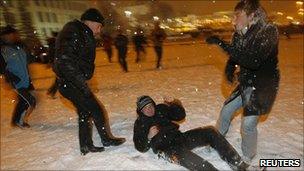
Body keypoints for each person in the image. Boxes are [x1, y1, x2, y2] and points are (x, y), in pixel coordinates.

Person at [206, 0, 280, 162]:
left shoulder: (269, 31)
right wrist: (229, 69)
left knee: (247, 125)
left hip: (263, 86)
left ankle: (248, 156)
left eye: (238, 15)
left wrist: (221, 43)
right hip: (247, 82)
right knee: (226, 111)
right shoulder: (239, 33)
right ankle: (216, 140)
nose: (234, 20)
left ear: (251, 15)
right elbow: (236, 55)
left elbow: (253, 60)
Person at [53, 8, 126, 155]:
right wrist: (81, 83)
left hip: (72, 82)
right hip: (73, 83)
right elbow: (64, 61)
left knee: (85, 112)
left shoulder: (80, 32)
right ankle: (105, 139)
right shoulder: (75, 32)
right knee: (96, 110)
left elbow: (70, 59)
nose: (99, 31)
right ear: (90, 22)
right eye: (98, 26)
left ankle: (86, 145)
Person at [133, 95, 250, 171]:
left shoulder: (161, 109)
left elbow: (180, 115)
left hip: (180, 138)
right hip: (166, 149)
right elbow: (140, 146)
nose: (149, 109)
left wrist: (174, 102)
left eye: (150, 105)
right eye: (145, 108)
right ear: (141, 111)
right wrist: (148, 137)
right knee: (196, 162)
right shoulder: (140, 123)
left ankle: (239, 165)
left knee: (210, 131)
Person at [0, 26, 36, 128]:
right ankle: (20, 121)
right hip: (16, 80)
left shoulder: (19, 47)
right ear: (4, 36)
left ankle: (15, 120)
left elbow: (28, 60)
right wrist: (9, 76)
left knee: (23, 101)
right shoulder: (3, 50)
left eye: (14, 34)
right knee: (31, 101)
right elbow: (1, 68)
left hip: (25, 78)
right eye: (10, 34)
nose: (13, 36)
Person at [46, 31, 59, 98]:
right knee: (59, 79)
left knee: (59, 79)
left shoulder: (54, 44)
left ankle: (51, 91)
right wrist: (51, 62)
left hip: (57, 63)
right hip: (57, 63)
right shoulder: (54, 44)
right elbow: (51, 54)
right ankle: (51, 92)